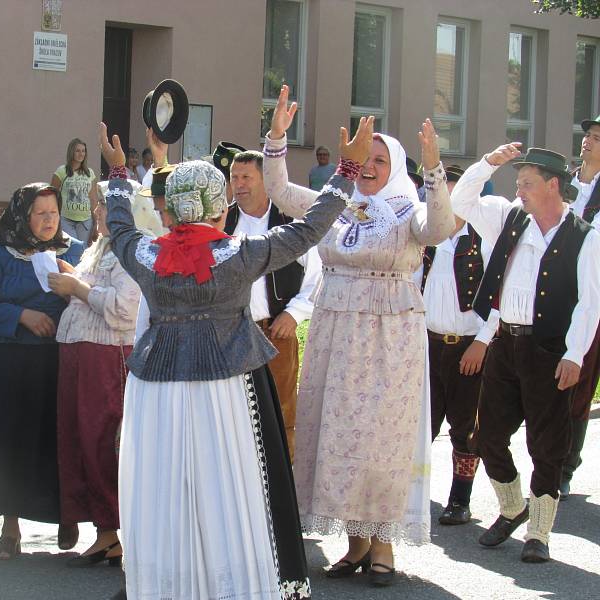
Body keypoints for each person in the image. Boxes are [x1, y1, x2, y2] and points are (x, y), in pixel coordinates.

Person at [102, 114, 359, 598]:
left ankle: (168, 583)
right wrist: (346, 169)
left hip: (156, 386)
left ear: (170, 215)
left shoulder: (145, 254)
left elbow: (117, 229)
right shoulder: (240, 253)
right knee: (232, 483)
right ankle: (235, 580)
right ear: (221, 212)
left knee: (166, 483)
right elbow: (310, 230)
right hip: (228, 384)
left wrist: (118, 175)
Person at [263, 85, 455, 586]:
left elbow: (438, 228)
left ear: (395, 165)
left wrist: (434, 168)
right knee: (336, 435)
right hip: (334, 330)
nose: (368, 167)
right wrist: (277, 137)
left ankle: (384, 541)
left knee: (381, 438)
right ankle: (354, 541)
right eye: (362, 158)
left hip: (389, 337)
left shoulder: (405, 209)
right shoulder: (337, 204)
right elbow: (281, 192)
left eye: (379, 160)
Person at [451, 144, 600, 563]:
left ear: (554, 185)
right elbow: (461, 200)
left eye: (528, 183)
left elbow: (590, 303)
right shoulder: (510, 217)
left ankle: (539, 531)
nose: (520, 191)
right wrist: (488, 164)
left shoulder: (586, 237)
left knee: (547, 444)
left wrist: (574, 354)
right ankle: (513, 506)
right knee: (488, 437)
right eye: (517, 183)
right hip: (505, 344)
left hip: (549, 350)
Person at [0, 182, 84, 560]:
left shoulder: (73, 250)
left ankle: (65, 515)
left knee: (55, 439)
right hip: (5, 359)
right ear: (24, 216)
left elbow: (90, 296)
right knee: (11, 443)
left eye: (54, 213)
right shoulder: (1, 251)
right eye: (40, 214)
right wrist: (23, 315)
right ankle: (10, 529)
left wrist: (74, 287)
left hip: (55, 361)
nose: (48, 221)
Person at [47, 184, 144, 568]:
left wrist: (77, 287)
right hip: (79, 351)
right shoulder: (99, 246)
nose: (98, 211)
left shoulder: (132, 249)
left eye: (105, 204)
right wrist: (72, 280)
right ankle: (104, 533)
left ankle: (114, 529)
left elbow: (125, 307)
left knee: (102, 440)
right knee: (79, 439)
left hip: (107, 356)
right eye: (97, 204)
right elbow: (89, 290)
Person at [227, 150, 322, 461]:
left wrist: (294, 314)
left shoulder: (290, 221)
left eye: (246, 177)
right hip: (230, 334)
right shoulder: (221, 220)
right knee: (233, 413)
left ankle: (281, 488)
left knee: (280, 413)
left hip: (275, 332)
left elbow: (317, 277)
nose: (239, 185)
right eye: (234, 178)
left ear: (265, 180)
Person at [419, 165, 499, 525]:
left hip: (467, 346)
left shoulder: (483, 240)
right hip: (428, 344)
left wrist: (481, 342)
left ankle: (460, 500)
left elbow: (500, 297)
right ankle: (415, 495)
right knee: (423, 423)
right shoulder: (427, 238)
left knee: (465, 427)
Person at [560, 114, 600, 499]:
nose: (588, 142)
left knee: (582, 381)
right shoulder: (567, 183)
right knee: (559, 377)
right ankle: (556, 458)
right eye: (587, 134)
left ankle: (567, 463)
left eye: (597, 138)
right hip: (560, 294)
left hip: (594, 296)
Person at [51, 138, 98, 244]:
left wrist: (96, 223)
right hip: (66, 219)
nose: (81, 154)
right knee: (71, 248)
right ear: (71, 152)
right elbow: (52, 196)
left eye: (83, 151)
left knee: (82, 251)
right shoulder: (61, 171)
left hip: (85, 221)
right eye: (78, 151)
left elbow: (93, 199)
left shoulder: (89, 173)